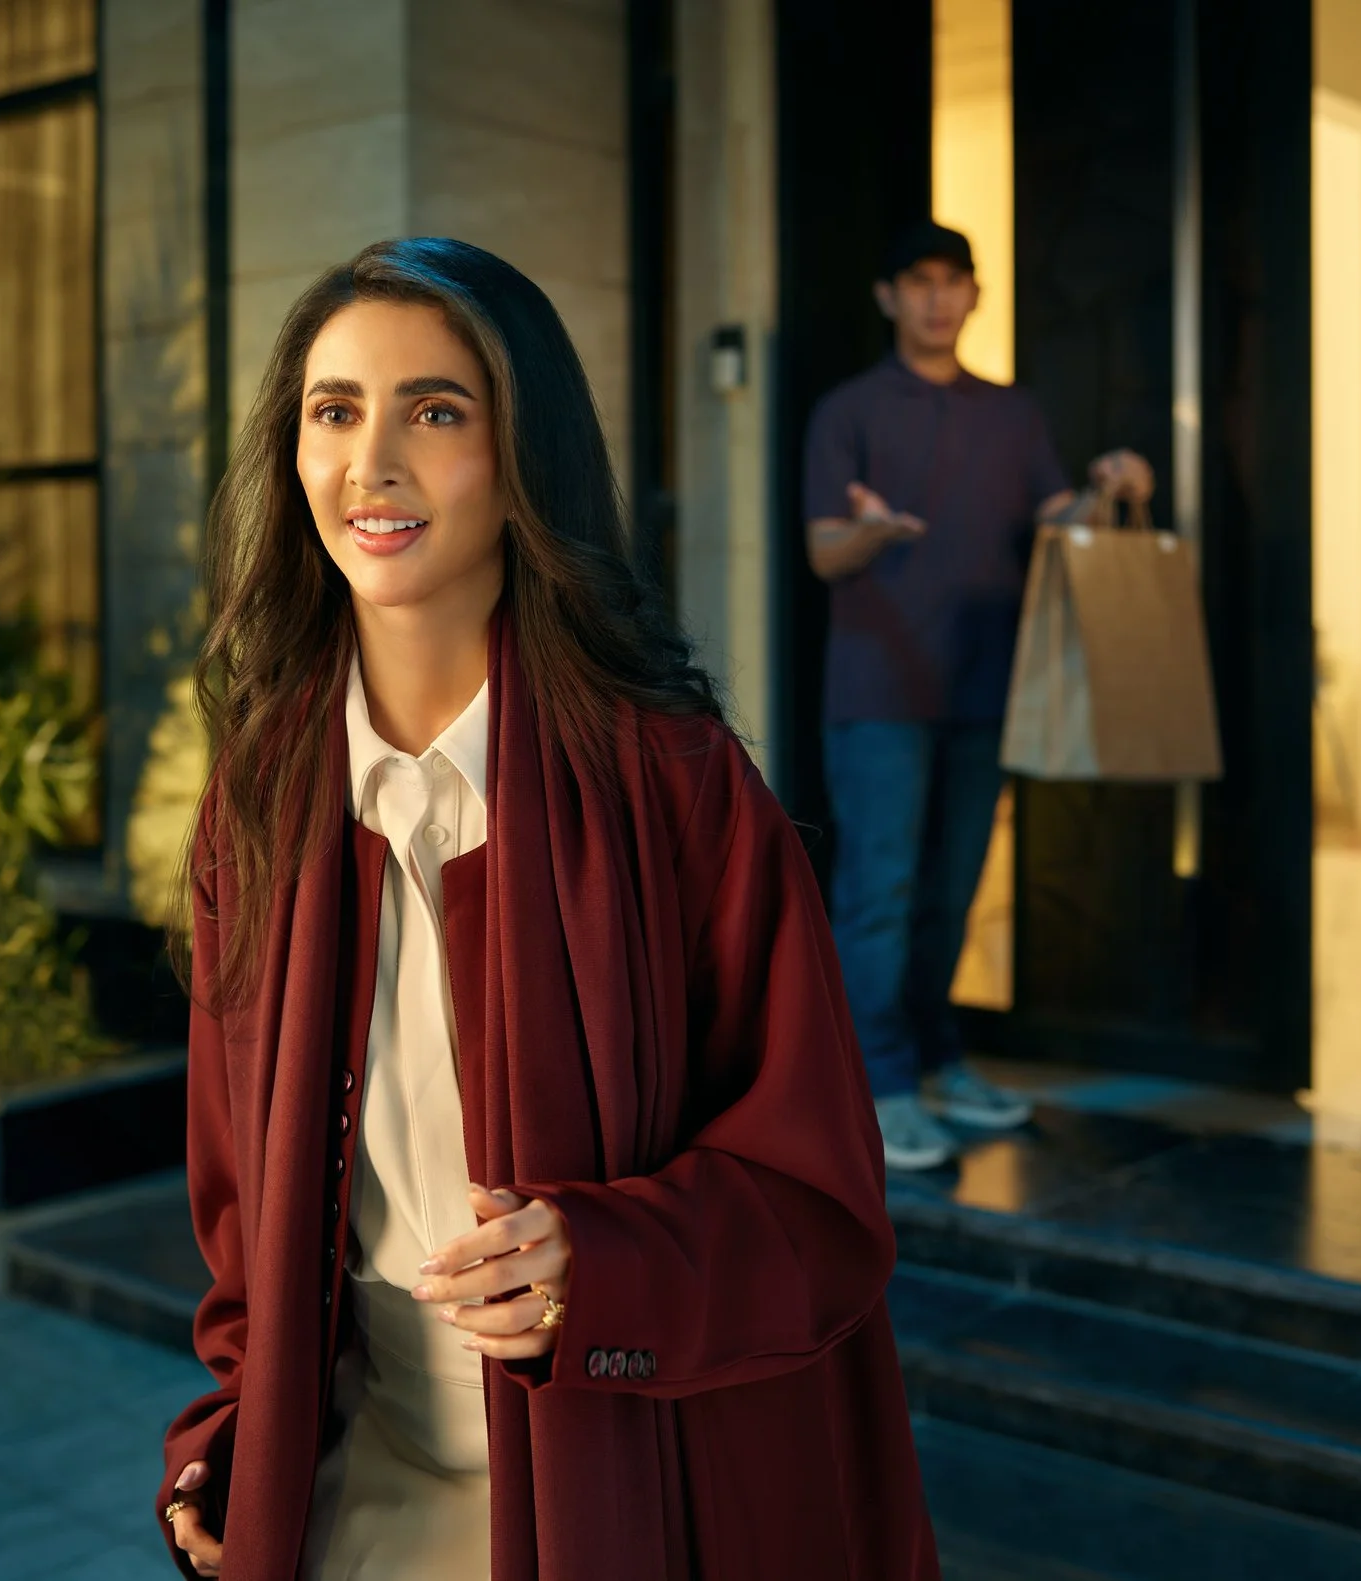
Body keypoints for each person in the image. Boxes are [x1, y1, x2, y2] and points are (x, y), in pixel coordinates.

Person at [157, 238, 936, 1581]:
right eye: (334, 409)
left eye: (437, 410)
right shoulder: (261, 795)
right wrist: (236, 1419)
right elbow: (238, 1200)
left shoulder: (675, 782)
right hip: (364, 1472)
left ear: (525, 457)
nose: (372, 462)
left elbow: (823, 1198)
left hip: (629, 1477)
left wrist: (604, 1260)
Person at [803, 220, 1155, 1171]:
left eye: (954, 282)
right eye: (918, 281)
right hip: (880, 690)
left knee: (951, 893)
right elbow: (823, 548)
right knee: (879, 894)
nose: (937, 299)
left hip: (987, 684)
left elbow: (1058, 524)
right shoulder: (850, 409)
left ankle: (939, 1062)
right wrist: (874, 535)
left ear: (974, 296)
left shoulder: (1013, 414)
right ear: (888, 296)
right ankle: (874, 1089)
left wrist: (1110, 487)